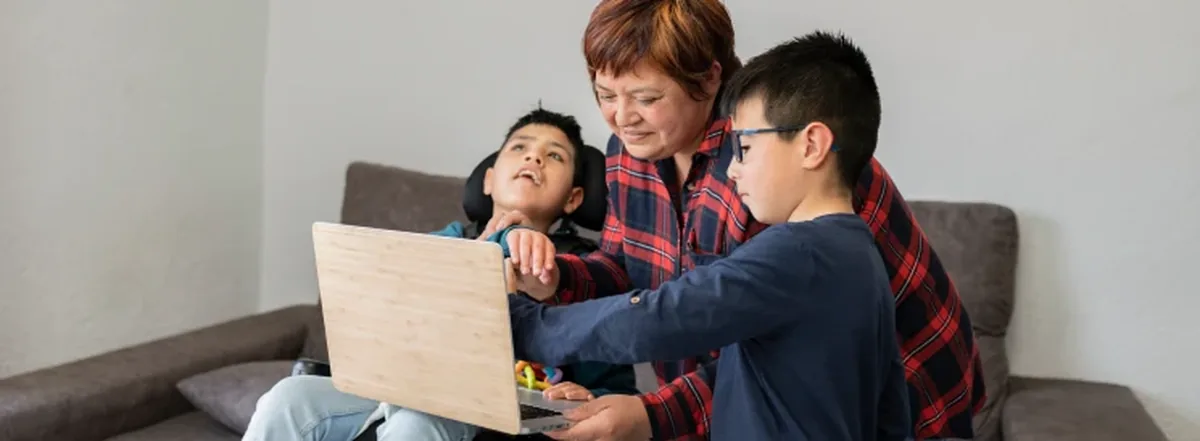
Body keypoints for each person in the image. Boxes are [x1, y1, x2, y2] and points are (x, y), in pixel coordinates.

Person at [499, 1, 987, 440]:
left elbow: (687, 319)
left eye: (646, 98)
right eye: (605, 94)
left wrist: (524, 327)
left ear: (709, 79)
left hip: (899, 390)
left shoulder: (783, 170)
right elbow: (626, 270)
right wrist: (553, 279)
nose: (621, 118)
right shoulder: (631, 152)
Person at [241, 108, 638, 441]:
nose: (533, 158)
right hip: (410, 386)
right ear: (488, 179)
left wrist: (585, 395)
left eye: (554, 156)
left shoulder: (585, 273)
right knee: (288, 398)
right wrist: (486, 245)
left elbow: (615, 388)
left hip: (516, 408)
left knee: (418, 423)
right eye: (520, 148)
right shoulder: (442, 244)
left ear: (573, 198)